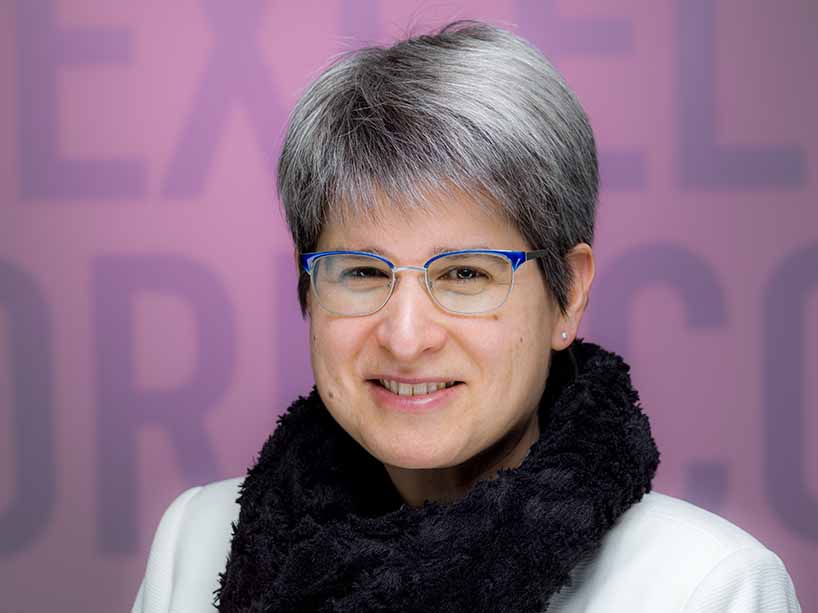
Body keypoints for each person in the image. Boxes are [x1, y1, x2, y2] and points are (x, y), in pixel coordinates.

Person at [132, 21, 801, 613]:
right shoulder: (197, 541)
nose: (406, 337)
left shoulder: (704, 588)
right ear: (307, 292)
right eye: (362, 272)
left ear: (567, 294)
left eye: (464, 275)